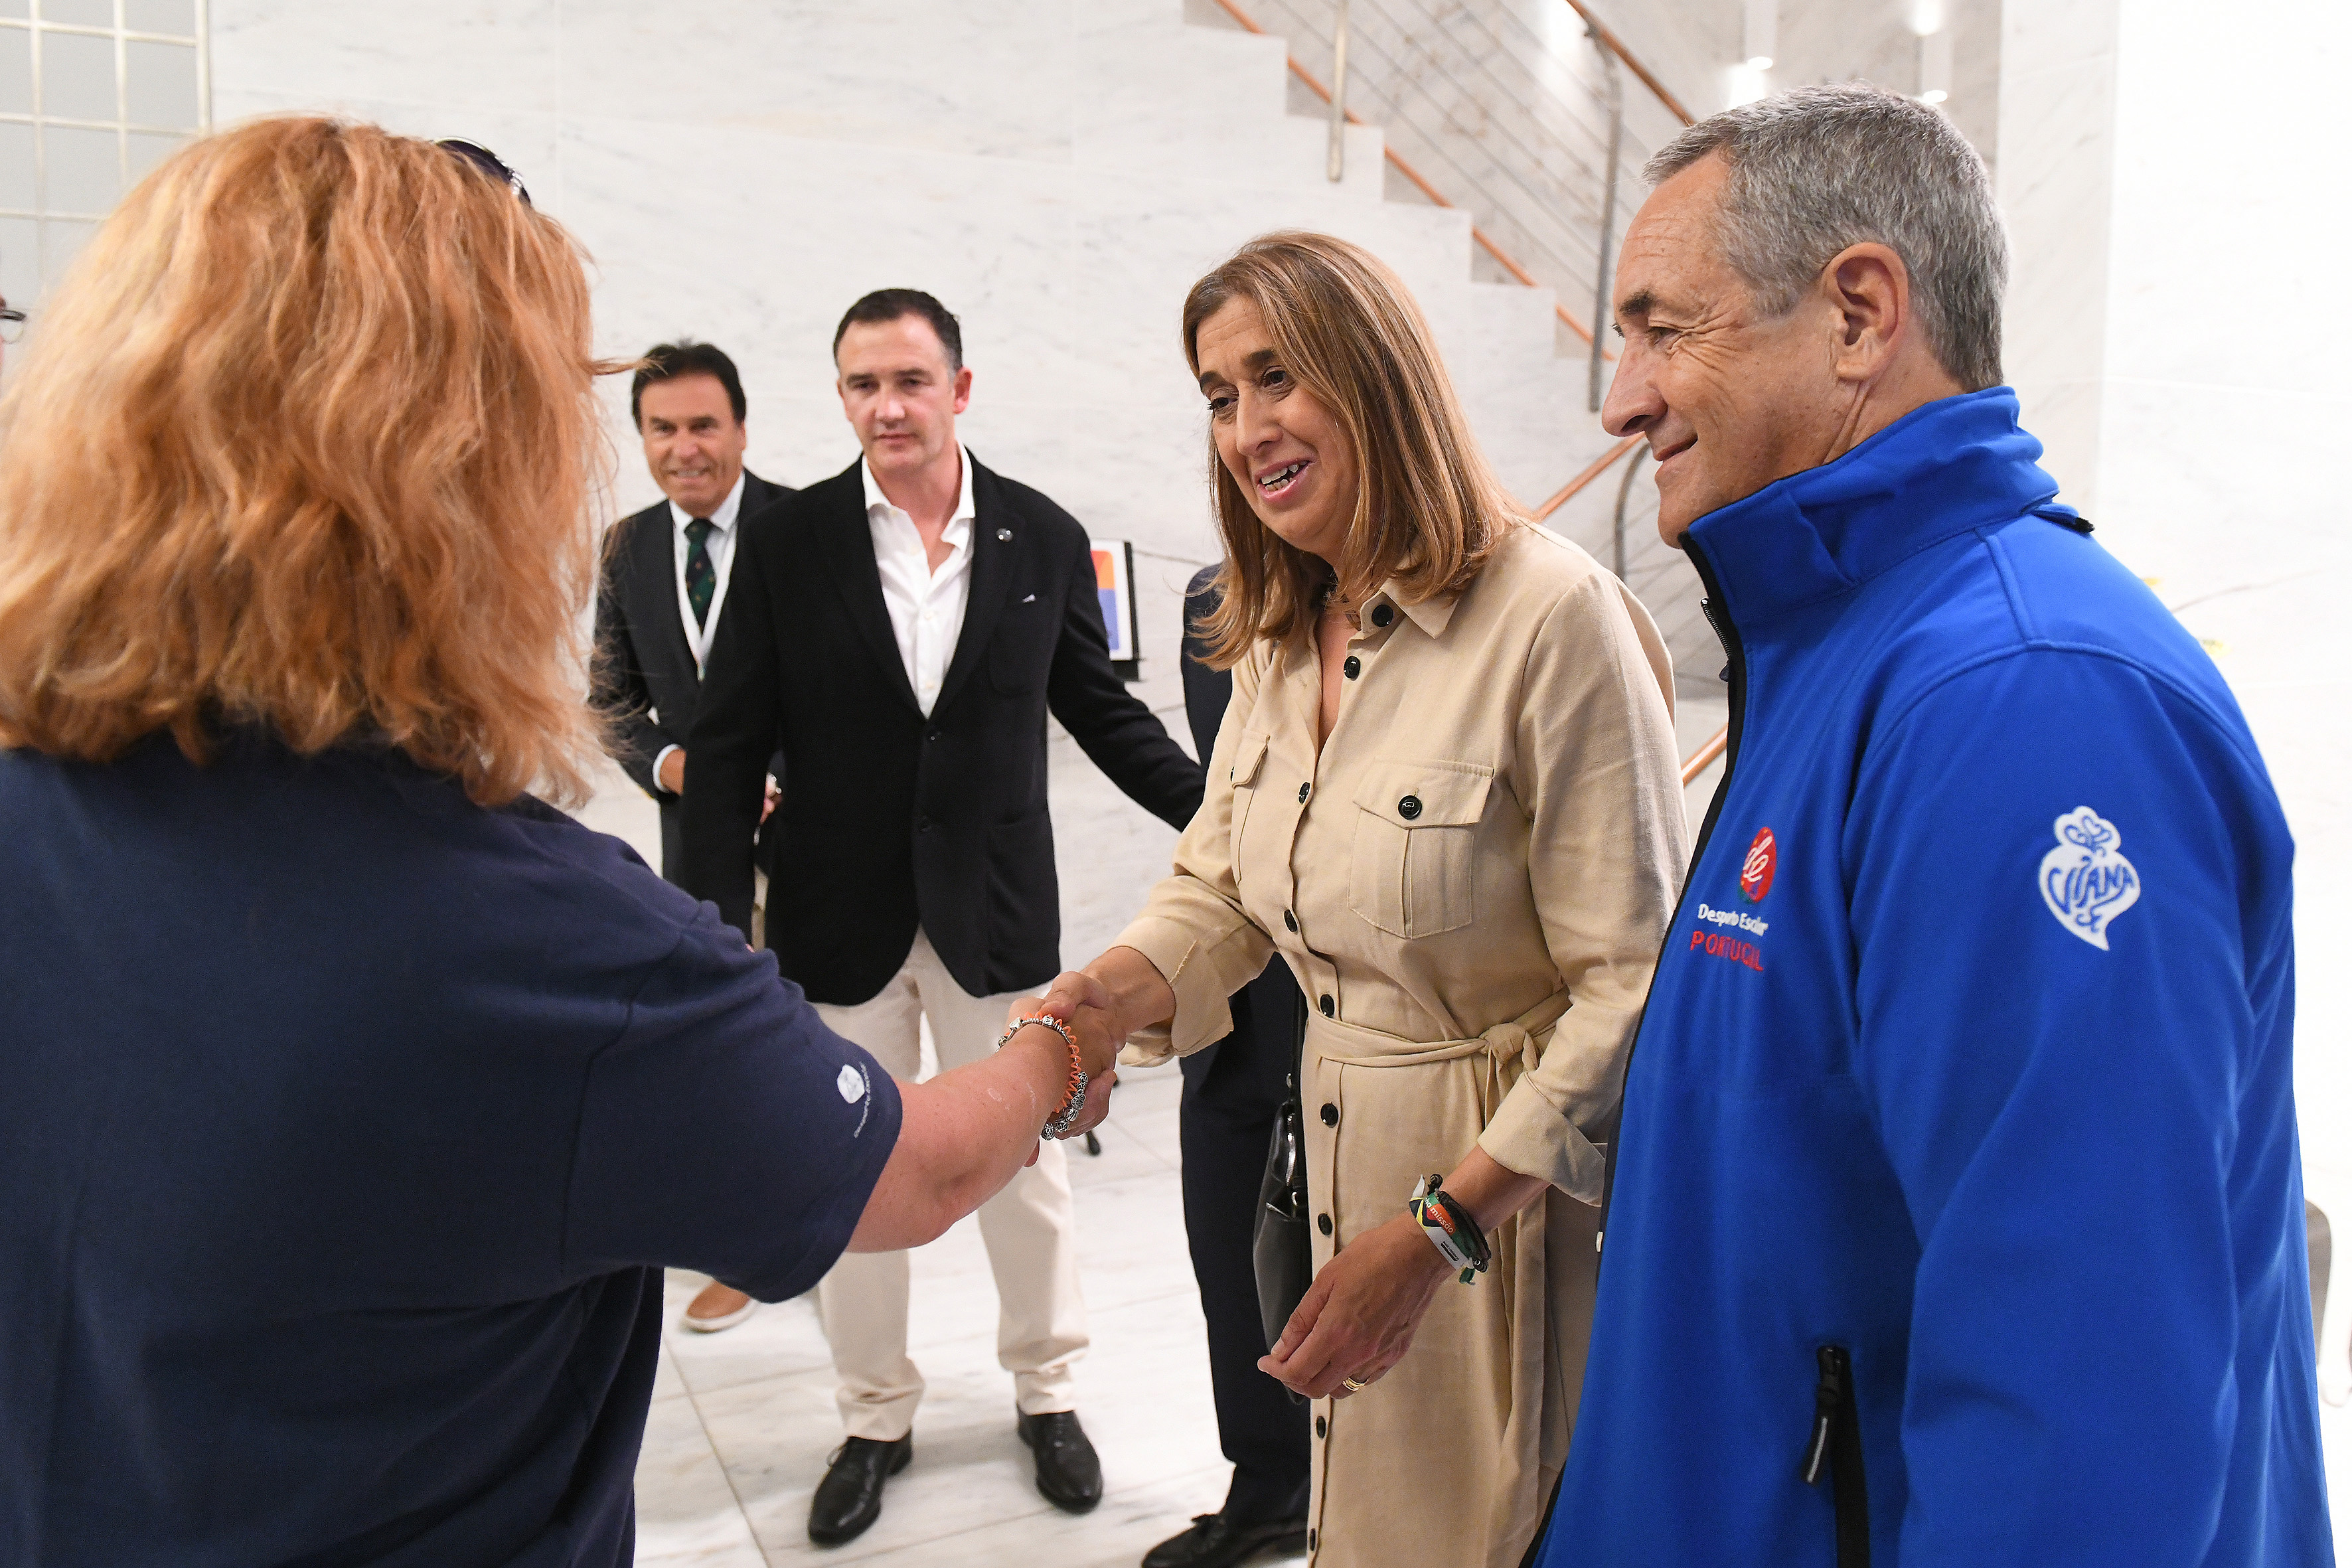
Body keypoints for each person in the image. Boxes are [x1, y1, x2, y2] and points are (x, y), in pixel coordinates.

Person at [0, 117, 1119, 1568]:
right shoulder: (545, 951)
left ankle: (1047, 1387)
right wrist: (1067, 1043)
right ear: (471, 476)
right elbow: (909, 1173)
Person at [1536, 85, 2330, 1566]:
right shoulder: (1848, 644)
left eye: (1663, 329)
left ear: (1857, 314)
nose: (1621, 399)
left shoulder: (2022, 699)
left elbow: (2076, 1404)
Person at [1057, 232, 1689, 1568]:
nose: (1245, 428)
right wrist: (1100, 1001)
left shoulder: (1555, 620)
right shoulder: (1279, 627)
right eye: (1218, 394)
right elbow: (1220, 883)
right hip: (1342, 1173)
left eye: (1275, 376)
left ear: (1375, 374)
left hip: (1504, 1217)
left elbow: (1631, 989)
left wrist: (1439, 1231)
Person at [679, 287, 1204, 1545]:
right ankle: (874, 1413)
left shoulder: (1041, 534)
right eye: (862, 384)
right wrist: (710, 929)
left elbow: (1101, 710)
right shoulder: (789, 542)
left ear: (959, 389)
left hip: (997, 915)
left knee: (1027, 1166)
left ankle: (1049, 1389)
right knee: (850, 1176)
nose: (887, 406)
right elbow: (728, 741)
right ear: (841, 398)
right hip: (834, 916)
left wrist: (1225, 810)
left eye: (910, 380)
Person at [591, 339, 793, 1335]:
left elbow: (857, 684)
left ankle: (820, 1219)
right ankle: (749, 1245)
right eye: (663, 429)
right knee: (723, 1046)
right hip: (697, 848)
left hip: (811, 837)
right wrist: (675, 767)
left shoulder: (807, 527)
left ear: (741, 430)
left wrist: (779, 775)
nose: (685, 447)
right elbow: (611, 702)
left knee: (814, 1037)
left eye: (704, 425)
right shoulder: (624, 548)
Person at [1142, 564, 1312, 1568]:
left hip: (1380, 1014)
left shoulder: (1478, 605)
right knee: (1230, 1256)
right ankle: (1269, 1483)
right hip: (1235, 1006)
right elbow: (1224, 806)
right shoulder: (1216, 600)